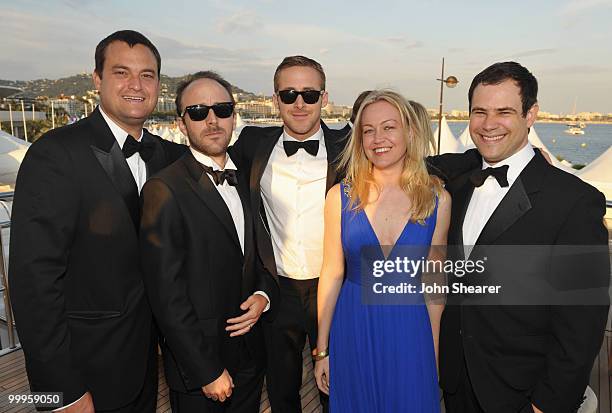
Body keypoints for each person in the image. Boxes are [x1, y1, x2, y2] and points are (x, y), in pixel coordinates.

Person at [9, 30, 185, 412]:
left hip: (143, 367)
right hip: (81, 372)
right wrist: (59, 391)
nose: (136, 85)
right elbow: (33, 283)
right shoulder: (54, 155)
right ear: (97, 79)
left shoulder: (167, 156)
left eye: (148, 75)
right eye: (122, 72)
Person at [439, 62, 609, 413]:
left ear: (531, 114)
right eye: (479, 112)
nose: (488, 124)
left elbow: (582, 323)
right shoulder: (457, 185)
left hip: (523, 393)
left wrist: (546, 403)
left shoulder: (574, 201)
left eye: (504, 112)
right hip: (456, 385)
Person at [139, 71, 275, 413]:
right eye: (198, 112)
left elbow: (257, 253)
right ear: (182, 124)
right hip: (202, 369)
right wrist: (206, 370)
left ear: (234, 116)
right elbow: (165, 294)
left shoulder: (247, 176)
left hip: (250, 355)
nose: (212, 120)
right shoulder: (163, 189)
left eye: (222, 109)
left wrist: (263, 294)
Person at [314, 90, 450, 412]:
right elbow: (332, 273)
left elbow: (435, 284)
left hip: (411, 329)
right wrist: (322, 350)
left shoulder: (437, 200)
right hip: (353, 326)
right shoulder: (339, 197)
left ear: (409, 132)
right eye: (368, 130)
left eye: (389, 127)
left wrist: (432, 354)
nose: (378, 138)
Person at [230, 55, 348, 412]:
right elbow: (205, 160)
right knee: (281, 390)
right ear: (274, 99)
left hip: (335, 290)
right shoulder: (252, 143)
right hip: (277, 291)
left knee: (337, 387)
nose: (299, 103)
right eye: (289, 94)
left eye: (310, 95)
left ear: (324, 99)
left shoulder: (349, 148)